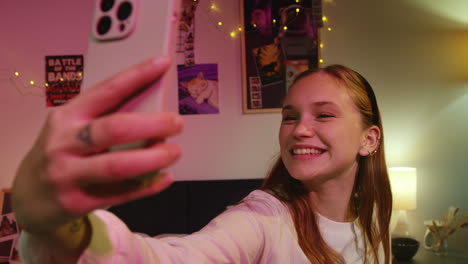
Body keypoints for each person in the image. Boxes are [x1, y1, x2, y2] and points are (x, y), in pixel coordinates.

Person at [12, 56, 392, 263]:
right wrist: (57, 230)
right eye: (290, 116)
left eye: (323, 115)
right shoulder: (263, 218)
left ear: (368, 139)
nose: (298, 130)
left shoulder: (372, 222)